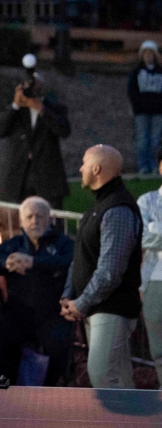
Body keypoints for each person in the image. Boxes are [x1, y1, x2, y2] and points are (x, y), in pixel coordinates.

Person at [61, 145, 143, 389]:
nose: (80, 168)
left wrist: (81, 303)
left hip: (111, 307)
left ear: (96, 169)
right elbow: (81, 257)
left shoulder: (117, 208)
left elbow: (110, 271)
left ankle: (126, 427)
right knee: (115, 376)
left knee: (104, 375)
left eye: (84, 163)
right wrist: (69, 296)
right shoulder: (99, 207)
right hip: (96, 307)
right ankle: (132, 427)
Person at [0, 197, 74, 386]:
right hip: (18, 314)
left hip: (53, 313)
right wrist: (5, 263)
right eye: (29, 217)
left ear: (50, 219)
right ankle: (4, 385)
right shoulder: (15, 244)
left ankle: (45, 397)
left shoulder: (63, 244)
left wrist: (34, 263)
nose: (34, 221)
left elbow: (71, 262)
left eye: (40, 216)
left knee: (56, 350)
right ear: (21, 221)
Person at [0, 72, 71, 209]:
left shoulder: (55, 108)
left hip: (47, 176)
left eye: (35, 84)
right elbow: (1, 131)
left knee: (51, 218)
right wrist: (15, 105)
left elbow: (64, 130)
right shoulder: (17, 111)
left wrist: (41, 109)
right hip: (19, 176)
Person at [137, 147, 162, 386]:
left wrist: (158, 228)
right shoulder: (147, 201)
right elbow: (143, 238)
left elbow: (151, 235)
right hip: (155, 281)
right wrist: (153, 231)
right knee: (159, 349)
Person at [128, 40, 162, 174]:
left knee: (155, 141)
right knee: (142, 140)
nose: (148, 56)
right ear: (142, 55)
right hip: (141, 112)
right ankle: (142, 166)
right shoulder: (136, 72)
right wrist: (136, 106)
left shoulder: (160, 72)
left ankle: (154, 166)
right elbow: (132, 91)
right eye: (146, 53)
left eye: (151, 53)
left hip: (158, 112)